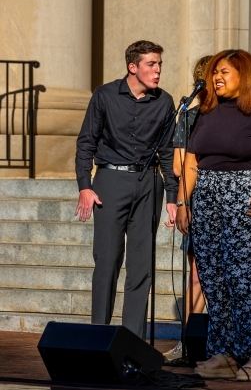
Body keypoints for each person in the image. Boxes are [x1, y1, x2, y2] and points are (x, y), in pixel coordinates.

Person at [176, 49, 251, 382]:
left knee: (239, 277)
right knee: (211, 277)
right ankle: (222, 354)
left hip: (245, 196)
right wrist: (183, 202)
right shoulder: (205, 113)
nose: (216, 78)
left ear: (245, 75)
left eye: (223, 72)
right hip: (207, 197)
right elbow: (192, 160)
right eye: (214, 73)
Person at [74, 40, 178, 339]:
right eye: (151, 64)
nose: (157, 70)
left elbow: (168, 152)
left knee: (141, 265)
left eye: (159, 64)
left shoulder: (165, 101)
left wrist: (172, 197)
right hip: (109, 182)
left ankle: (132, 341)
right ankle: (98, 337)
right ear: (133, 67)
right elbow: (86, 143)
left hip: (149, 184)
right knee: (107, 261)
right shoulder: (105, 95)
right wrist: (85, 185)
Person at [164, 54, 212, 362]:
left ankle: (218, 340)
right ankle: (190, 339)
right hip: (196, 199)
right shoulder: (189, 117)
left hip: (226, 202)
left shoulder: (233, 117)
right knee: (195, 275)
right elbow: (178, 166)